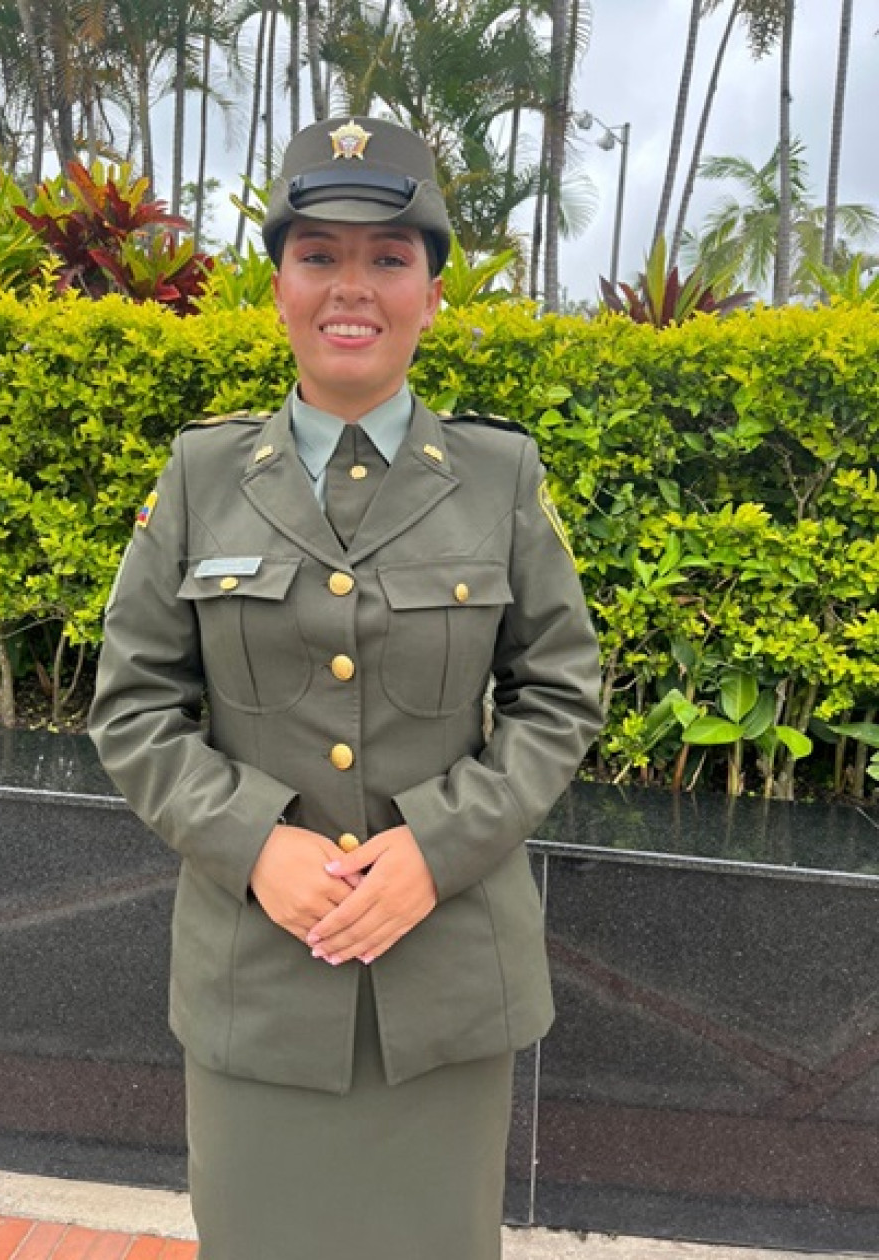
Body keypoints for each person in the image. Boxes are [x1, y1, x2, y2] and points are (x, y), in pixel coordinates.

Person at [88, 115, 603, 1260]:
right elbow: (131, 705)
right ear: (277, 285)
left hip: (448, 979)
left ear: (430, 291)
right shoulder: (203, 474)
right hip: (258, 982)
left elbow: (559, 693)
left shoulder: (500, 476)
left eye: (388, 257)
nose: (350, 288)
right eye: (318, 255)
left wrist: (437, 847)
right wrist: (254, 843)